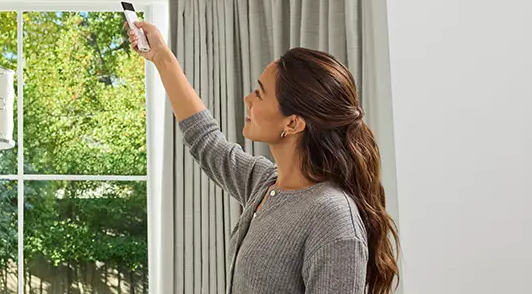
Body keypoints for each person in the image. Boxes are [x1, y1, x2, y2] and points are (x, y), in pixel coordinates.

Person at [129, 21, 399, 294]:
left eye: (259, 93)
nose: (248, 98)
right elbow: (206, 141)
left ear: (292, 123)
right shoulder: (265, 183)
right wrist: (161, 57)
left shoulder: (332, 217)